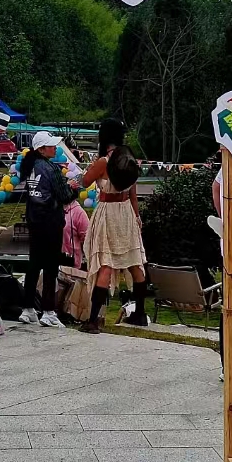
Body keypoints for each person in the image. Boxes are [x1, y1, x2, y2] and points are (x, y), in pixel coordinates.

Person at [81, 119, 147, 331]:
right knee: (135, 261)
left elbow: (85, 181)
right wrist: (137, 217)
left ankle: (93, 320)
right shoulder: (129, 159)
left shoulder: (104, 161)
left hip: (108, 212)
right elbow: (133, 194)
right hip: (126, 212)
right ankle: (140, 313)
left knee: (105, 263)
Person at [19, 130, 76, 328]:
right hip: (51, 221)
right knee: (51, 266)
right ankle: (48, 311)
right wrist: (73, 186)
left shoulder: (30, 166)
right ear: (42, 149)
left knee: (34, 264)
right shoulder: (52, 168)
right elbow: (65, 196)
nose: (54, 148)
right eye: (51, 146)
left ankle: (28, 308)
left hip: (34, 220)